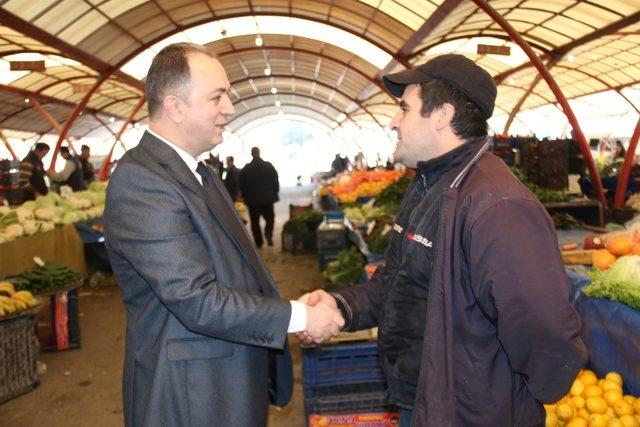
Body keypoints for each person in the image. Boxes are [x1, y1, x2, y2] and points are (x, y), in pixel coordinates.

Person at [299, 54, 587, 426]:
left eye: (404, 109)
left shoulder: (497, 206)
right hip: (424, 403)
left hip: (469, 416)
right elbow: (399, 282)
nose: (393, 121)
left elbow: (544, 328)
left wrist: (507, 399)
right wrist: (341, 306)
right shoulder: (428, 185)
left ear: (442, 116)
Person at [102, 43, 343, 427]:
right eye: (217, 97)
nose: (229, 108)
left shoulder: (201, 173)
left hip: (223, 383)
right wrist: (297, 317)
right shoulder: (141, 182)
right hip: (189, 396)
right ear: (175, 107)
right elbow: (196, 299)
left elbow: (236, 270)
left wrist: (291, 308)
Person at [239, 147, 279, 248]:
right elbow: (275, 179)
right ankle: (268, 234)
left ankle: (259, 242)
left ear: (251, 154)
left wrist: (244, 196)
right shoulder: (268, 166)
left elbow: (241, 184)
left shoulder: (246, 168)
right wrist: (274, 191)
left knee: (255, 222)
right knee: (270, 218)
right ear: (259, 153)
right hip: (267, 199)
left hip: (252, 201)